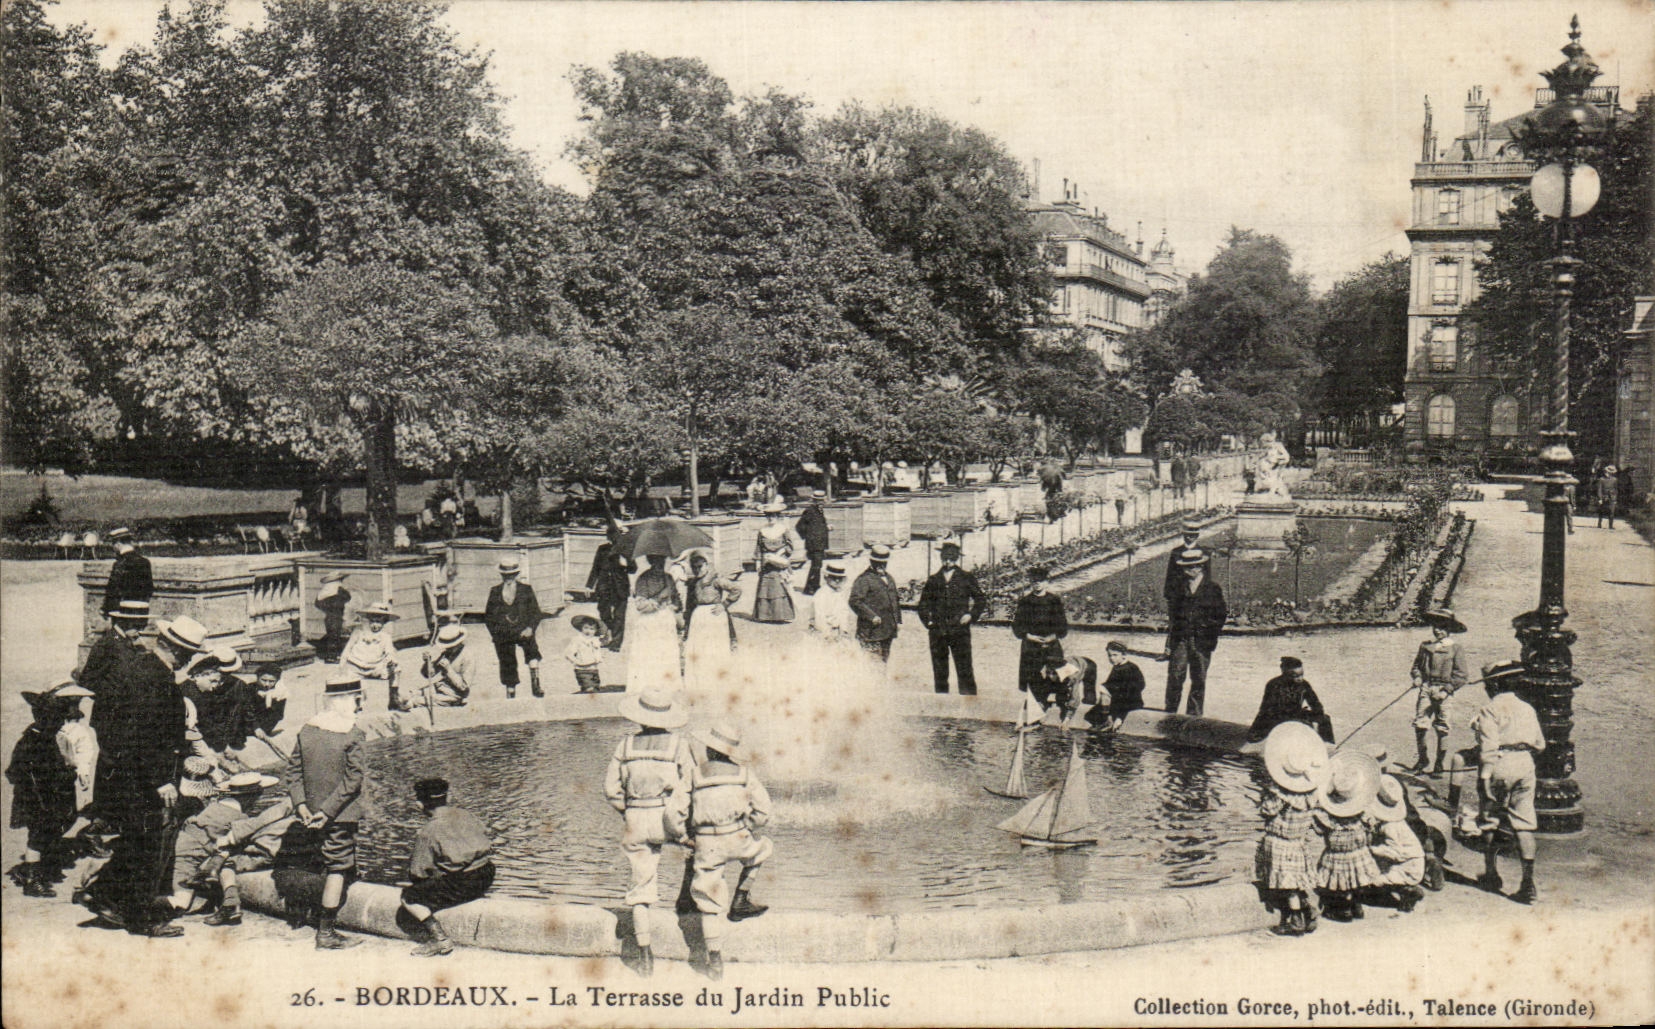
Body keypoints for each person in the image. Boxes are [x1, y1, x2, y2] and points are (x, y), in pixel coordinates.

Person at [82, 615, 196, 937]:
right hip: (145, 774)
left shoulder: (138, 666)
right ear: (177, 650)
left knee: (134, 838)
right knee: (149, 843)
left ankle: (103, 895)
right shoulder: (156, 679)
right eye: (186, 654)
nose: (186, 660)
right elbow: (145, 733)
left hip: (124, 769)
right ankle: (144, 918)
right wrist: (161, 779)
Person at [603, 688, 694, 978]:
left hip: (637, 816)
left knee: (641, 885)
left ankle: (644, 953)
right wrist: (680, 820)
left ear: (639, 717)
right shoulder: (678, 745)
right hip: (667, 814)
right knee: (696, 851)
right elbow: (689, 784)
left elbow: (610, 789)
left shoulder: (626, 745)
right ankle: (687, 905)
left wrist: (626, 811)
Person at [684, 723, 773, 982]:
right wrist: (749, 826)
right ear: (730, 752)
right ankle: (741, 897)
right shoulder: (744, 774)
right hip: (737, 837)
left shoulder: (694, 775)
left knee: (709, 901)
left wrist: (683, 836)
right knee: (762, 848)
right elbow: (763, 810)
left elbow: (674, 812)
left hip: (708, 842)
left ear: (710, 750)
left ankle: (714, 959)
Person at [286, 672, 369, 949]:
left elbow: (293, 771)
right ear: (348, 700)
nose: (360, 706)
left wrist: (301, 806)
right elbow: (353, 780)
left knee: (321, 860)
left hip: (308, 813)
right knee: (338, 866)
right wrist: (329, 811)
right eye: (358, 700)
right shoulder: (353, 733)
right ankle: (327, 932)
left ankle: (308, 916)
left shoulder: (307, 729)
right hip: (339, 815)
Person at [169, 772, 292, 925]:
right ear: (253, 795)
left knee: (183, 898)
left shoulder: (214, 807)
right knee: (183, 900)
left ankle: (226, 901)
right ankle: (230, 900)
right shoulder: (240, 818)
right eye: (258, 794)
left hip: (183, 845)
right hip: (196, 853)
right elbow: (250, 827)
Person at [1471, 660, 1546, 904]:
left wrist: (1484, 777)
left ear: (1493, 684)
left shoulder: (1490, 709)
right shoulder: (1527, 708)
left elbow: (1488, 747)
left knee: (1489, 819)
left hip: (1500, 764)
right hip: (1525, 763)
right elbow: (1540, 744)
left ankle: (1492, 875)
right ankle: (1528, 882)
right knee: (1524, 824)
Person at [401, 777, 496, 957]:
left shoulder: (428, 831)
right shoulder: (465, 814)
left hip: (463, 883)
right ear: (447, 797)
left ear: (420, 804)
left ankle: (439, 939)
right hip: (487, 873)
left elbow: (417, 873)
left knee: (409, 897)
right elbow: (485, 837)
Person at [7, 685, 85, 897]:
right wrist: (39, 784)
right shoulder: (34, 740)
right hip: (37, 799)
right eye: (58, 719)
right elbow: (14, 771)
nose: (61, 723)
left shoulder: (46, 738)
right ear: (45, 719)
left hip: (49, 798)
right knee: (38, 837)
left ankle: (38, 871)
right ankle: (32, 879)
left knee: (47, 833)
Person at [1255, 721, 1330, 936]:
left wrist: (1266, 793)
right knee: (1297, 882)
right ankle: (1308, 912)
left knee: (1288, 886)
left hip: (1281, 843)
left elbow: (1267, 811)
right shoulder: (1310, 795)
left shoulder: (1281, 795)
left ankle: (1295, 920)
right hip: (1298, 843)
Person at [1313, 749, 1381, 922]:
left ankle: (1343, 908)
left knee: (1340, 880)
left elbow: (1320, 828)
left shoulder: (1330, 814)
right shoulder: (1362, 810)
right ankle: (1356, 904)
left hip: (1339, 851)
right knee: (1358, 876)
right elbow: (1370, 823)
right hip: (1358, 848)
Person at [1162, 547, 1227, 717]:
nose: (1189, 570)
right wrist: (1169, 642)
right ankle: (1170, 712)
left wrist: (1208, 632)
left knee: (1198, 679)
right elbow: (1173, 617)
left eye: (1192, 566)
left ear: (1200, 567)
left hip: (1202, 641)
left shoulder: (1212, 589)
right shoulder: (1178, 588)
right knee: (1175, 676)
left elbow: (1220, 615)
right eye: (1185, 567)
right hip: (1181, 639)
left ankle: (1194, 715)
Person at [917, 541, 987, 695]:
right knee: (940, 669)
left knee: (964, 668)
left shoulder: (966, 578)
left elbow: (981, 600)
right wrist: (928, 621)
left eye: (951, 558)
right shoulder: (933, 580)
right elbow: (923, 605)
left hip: (960, 631)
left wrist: (970, 615)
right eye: (945, 558)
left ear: (956, 559)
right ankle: (942, 704)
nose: (948, 562)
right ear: (941, 558)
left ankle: (969, 704)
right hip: (938, 632)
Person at [1409, 608, 1470, 773]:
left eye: (1442, 627)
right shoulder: (1425, 646)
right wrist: (1417, 677)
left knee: (1442, 727)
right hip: (1426, 688)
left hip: (1444, 692)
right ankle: (1423, 760)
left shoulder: (1455, 648)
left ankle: (1439, 763)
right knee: (1420, 725)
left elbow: (1461, 675)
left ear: (1449, 629)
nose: (1438, 630)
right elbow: (1416, 667)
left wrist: (1446, 690)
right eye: (1435, 626)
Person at [180, 646, 254, 774]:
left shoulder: (202, 690)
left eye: (218, 682)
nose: (215, 687)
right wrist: (220, 755)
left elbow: (212, 724)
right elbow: (202, 728)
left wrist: (224, 748)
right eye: (212, 681)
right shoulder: (190, 695)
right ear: (198, 676)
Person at [682, 552, 742, 701]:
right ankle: (701, 682)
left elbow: (736, 589)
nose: (698, 570)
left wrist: (724, 604)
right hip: (699, 616)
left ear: (707, 565)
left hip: (714, 615)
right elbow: (689, 604)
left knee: (715, 648)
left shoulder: (715, 579)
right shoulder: (693, 582)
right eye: (694, 567)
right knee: (700, 649)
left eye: (700, 566)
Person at [1362, 775, 1426, 912]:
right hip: (1411, 860)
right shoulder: (1396, 822)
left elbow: (1395, 852)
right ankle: (1403, 889)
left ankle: (1406, 890)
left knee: (1374, 882)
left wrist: (1372, 849)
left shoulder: (1390, 827)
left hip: (1408, 866)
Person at [484, 557, 544, 699]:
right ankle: (510, 690)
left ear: (516, 574)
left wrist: (530, 628)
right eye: (505, 575)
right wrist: (496, 633)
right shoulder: (495, 591)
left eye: (511, 575)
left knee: (532, 651)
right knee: (506, 658)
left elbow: (536, 613)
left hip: (523, 629)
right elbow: (488, 616)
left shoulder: (526, 589)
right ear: (501, 575)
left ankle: (536, 683)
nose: (508, 578)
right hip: (503, 632)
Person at [626, 554, 684, 695]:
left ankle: (666, 685)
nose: (660, 564)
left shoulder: (669, 578)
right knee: (649, 653)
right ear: (651, 561)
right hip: (649, 622)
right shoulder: (643, 579)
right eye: (656, 561)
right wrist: (658, 600)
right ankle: (648, 684)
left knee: (666, 652)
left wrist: (673, 606)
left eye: (662, 561)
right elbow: (640, 605)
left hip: (665, 620)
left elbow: (677, 600)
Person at [1012, 567, 1068, 702]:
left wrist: (1052, 637)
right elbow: (1017, 625)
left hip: (1051, 643)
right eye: (1034, 581)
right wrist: (1030, 636)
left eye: (1040, 581)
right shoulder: (1025, 601)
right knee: (1033, 680)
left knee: (1056, 677)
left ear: (1046, 582)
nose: (1037, 584)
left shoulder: (1054, 600)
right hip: (1031, 644)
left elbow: (1063, 625)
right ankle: (1034, 709)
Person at [1247, 656, 1334, 744]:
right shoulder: (1274, 685)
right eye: (1295, 676)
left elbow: (1315, 702)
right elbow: (1269, 709)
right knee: (1254, 737)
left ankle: (1327, 744)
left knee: (1325, 719)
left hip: (1295, 714)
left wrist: (1318, 714)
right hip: (1275, 716)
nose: (1300, 678)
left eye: (1301, 674)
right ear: (1285, 674)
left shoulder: (1304, 685)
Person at [77, 599, 151, 698]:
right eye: (137, 626)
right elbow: (86, 681)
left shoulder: (133, 643)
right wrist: (116, 694)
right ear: (123, 621)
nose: (140, 631)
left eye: (143, 627)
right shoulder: (106, 644)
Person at [341, 600, 403, 711]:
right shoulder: (359, 632)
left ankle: (394, 698)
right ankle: (354, 702)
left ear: (384, 623)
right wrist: (342, 664)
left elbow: (389, 652)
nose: (375, 625)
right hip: (356, 666)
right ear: (368, 621)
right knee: (347, 679)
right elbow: (347, 649)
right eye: (373, 622)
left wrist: (391, 661)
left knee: (396, 669)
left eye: (379, 622)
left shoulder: (385, 637)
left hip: (374, 668)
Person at [849, 545, 902, 663]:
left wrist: (897, 621)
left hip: (887, 630)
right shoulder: (864, 579)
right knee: (870, 663)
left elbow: (895, 600)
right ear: (871, 561)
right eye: (877, 563)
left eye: (883, 563)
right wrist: (871, 616)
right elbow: (854, 601)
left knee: (884, 661)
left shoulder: (889, 578)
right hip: (871, 632)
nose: (881, 566)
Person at [588, 521, 634, 651]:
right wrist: (589, 585)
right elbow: (595, 568)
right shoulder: (602, 549)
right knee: (604, 612)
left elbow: (633, 568)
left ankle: (616, 643)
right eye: (611, 534)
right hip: (604, 587)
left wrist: (626, 563)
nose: (613, 537)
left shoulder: (626, 549)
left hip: (621, 588)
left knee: (619, 616)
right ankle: (609, 634)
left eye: (616, 534)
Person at [753, 501, 798, 624]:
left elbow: (790, 547)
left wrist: (779, 553)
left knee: (779, 587)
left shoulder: (783, 529)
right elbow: (758, 547)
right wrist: (758, 562)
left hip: (779, 564)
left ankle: (780, 615)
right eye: (768, 515)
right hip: (766, 564)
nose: (771, 518)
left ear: (778, 516)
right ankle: (765, 616)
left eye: (773, 515)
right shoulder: (762, 531)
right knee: (765, 588)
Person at [420, 623, 479, 707]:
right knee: (413, 694)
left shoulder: (468, 657)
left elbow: (464, 687)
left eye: (450, 647)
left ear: (458, 643)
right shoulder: (447, 653)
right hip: (441, 687)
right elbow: (429, 674)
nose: (447, 649)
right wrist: (428, 662)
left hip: (454, 695)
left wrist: (448, 669)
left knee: (417, 701)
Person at [1094, 641, 1147, 730]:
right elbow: (1109, 683)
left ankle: (1110, 720)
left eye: (1115, 655)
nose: (1111, 658)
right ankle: (1107, 720)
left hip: (1131, 701)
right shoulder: (1117, 667)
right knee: (1103, 690)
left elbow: (1140, 685)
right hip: (1118, 699)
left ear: (1123, 655)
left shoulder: (1131, 668)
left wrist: (1120, 717)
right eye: (1109, 655)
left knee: (1107, 693)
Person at [101, 527, 153, 617]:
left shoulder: (120, 563)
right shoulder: (145, 562)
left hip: (123, 613)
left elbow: (113, 591)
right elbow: (149, 588)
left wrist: (105, 610)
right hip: (142, 612)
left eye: (113, 544)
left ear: (118, 544)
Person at [243, 664, 288, 757]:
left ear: (277, 681)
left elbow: (279, 715)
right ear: (258, 678)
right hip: (247, 723)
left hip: (265, 725)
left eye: (272, 681)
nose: (267, 684)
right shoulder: (249, 689)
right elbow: (246, 710)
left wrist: (271, 700)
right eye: (264, 680)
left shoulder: (280, 693)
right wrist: (256, 727)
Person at [808, 561, 855, 645]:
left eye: (840, 578)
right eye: (833, 577)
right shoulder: (821, 594)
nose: (837, 580)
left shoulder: (839, 592)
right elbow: (819, 617)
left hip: (837, 631)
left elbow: (843, 612)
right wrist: (827, 635)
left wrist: (843, 630)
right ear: (826, 578)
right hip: (823, 632)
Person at [795, 490, 831, 595]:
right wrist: (809, 537)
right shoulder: (810, 511)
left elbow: (817, 527)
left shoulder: (819, 511)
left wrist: (826, 528)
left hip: (819, 544)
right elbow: (799, 526)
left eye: (822, 501)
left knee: (817, 565)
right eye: (818, 501)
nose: (821, 503)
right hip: (814, 544)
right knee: (816, 566)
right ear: (814, 501)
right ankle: (810, 588)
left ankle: (814, 586)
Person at [1162, 521, 1203, 609]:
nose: (1189, 537)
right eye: (1187, 534)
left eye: (1193, 535)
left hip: (1198, 591)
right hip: (1179, 590)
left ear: (1197, 536)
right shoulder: (1176, 551)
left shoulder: (1202, 552)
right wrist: (1168, 592)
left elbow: (1206, 573)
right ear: (1183, 535)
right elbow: (1171, 572)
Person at [313, 572, 352, 662]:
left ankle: (333, 655)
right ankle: (331, 656)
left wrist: (327, 609)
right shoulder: (338, 590)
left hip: (330, 616)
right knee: (334, 636)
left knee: (333, 635)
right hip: (335, 616)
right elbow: (348, 597)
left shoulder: (325, 592)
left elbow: (317, 603)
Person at [566, 615, 607, 694]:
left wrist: (599, 658)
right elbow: (568, 653)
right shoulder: (577, 640)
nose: (588, 631)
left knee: (595, 688)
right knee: (589, 689)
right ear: (581, 628)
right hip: (582, 670)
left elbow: (599, 649)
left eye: (592, 629)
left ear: (596, 631)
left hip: (594, 669)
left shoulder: (595, 640)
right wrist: (577, 662)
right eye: (586, 628)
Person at [1595, 464, 1619, 528]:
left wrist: (1615, 499)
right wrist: (1600, 498)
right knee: (1601, 511)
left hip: (1612, 497)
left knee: (1612, 511)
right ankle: (1599, 524)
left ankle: (1610, 525)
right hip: (1603, 496)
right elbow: (1599, 489)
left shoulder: (1614, 480)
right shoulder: (1601, 479)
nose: (1606, 473)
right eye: (1605, 472)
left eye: (1608, 472)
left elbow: (1616, 489)